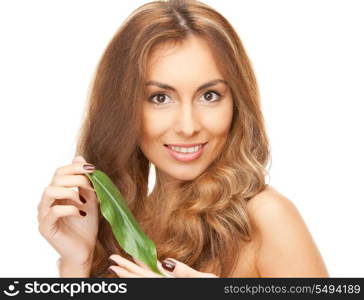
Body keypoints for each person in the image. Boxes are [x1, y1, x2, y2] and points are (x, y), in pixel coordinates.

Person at [37, 0, 329, 278]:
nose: (188, 127)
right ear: (123, 109)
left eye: (209, 95)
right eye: (160, 98)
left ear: (236, 103)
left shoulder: (267, 218)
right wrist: (77, 262)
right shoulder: (123, 223)